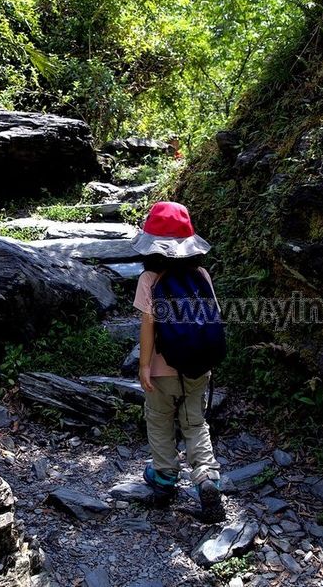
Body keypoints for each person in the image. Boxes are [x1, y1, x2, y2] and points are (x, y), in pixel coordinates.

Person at [130, 201, 226, 523]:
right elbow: (212, 317)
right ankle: (206, 478)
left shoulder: (150, 280)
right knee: (195, 423)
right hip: (197, 367)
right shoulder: (202, 274)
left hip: (160, 373)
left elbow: (148, 325)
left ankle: (164, 479)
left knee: (158, 420)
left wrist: (144, 365)